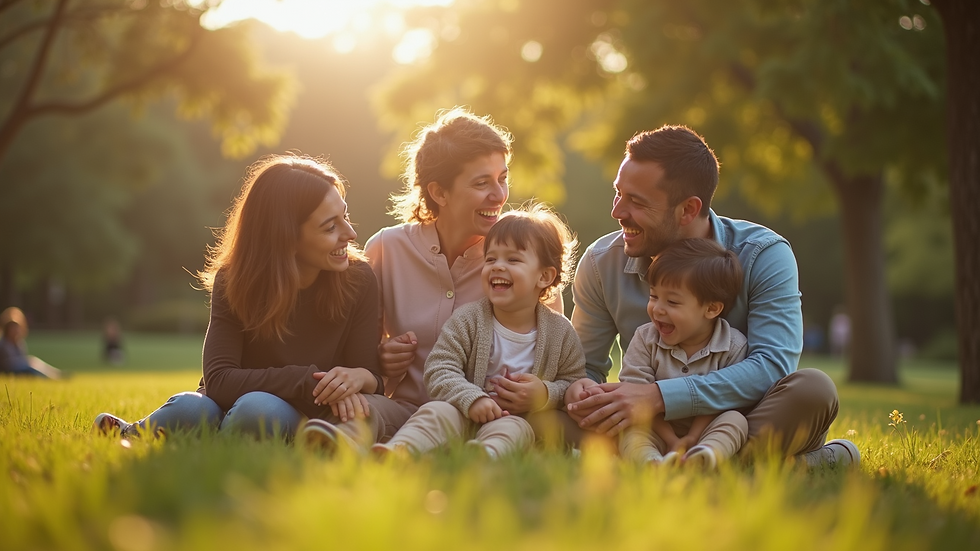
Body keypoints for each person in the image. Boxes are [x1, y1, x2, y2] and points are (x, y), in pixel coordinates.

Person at [564, 126, 859, 468]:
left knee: (814, 390)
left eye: (637, 202)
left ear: (688, 209)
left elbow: (772, 365)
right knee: (554, 418)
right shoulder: (602, 263)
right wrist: (584, 393)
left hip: (741, 420)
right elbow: (583, 366)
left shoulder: (763, 254)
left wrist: (659, 397)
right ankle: (769, 466)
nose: (617, 212)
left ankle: (684, 462)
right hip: (649, 429)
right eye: (618, 194)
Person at [94, 155, 405, 441]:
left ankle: (212, 440)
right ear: (287, 237)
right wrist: (306, 379)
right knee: (191, 409)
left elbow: (372, 379)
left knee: (255, 410)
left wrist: (356, 378)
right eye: (330, 226)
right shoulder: (233, 281)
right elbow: (218, 381)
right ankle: (133, 434)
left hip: (298, 413)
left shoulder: (359, 278)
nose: (350, 233)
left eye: (345, 216)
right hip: (223, 402)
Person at [303, 108, 562, 448]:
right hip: (403, 408)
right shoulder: (387, 247)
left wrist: (539, 391)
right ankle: (340, 444)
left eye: (503, 178)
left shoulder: (520, 257)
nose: (499, 195)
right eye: (482, 183)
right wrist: (382, 355)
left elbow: (553, 350)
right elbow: (358, 346)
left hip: (485, 417)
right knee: (365, 410)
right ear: (439, 193)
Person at [371, 205, 584, 458]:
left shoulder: (560, 332)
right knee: (435, 411)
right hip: (460, 411)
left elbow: (572, 383)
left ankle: (485, 456)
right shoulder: (469, 319)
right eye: (491, 259)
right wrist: (472, 399)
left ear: (545, 276)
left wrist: (545, 394)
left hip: (513, 419)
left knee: (514, 429)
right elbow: (439, 367)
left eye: (513, 259)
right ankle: (397, 451)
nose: (497, 267)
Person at [618, 238, 748, 469]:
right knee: (632, 429)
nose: (657, 309)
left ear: (711, 308)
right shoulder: (645, 339)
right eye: (653, 296)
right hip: (656, 426)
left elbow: (725, 400)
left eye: (672, 302)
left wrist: (692, 438)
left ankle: (706, 456)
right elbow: (635, 397)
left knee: (735, 420)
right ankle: (652, 463)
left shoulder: (733, 345)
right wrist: (670, 439)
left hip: (706, 427)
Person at [0, 307, 65, 379]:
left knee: (35, 361)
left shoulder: (19, 342)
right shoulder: (3, 344)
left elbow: (22, 357)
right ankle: (50, 378)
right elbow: (6, 364)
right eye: (12, 328)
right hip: (10, 370)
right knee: (31, 366)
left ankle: (57, 373)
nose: (15, 331)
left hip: (20, 366)